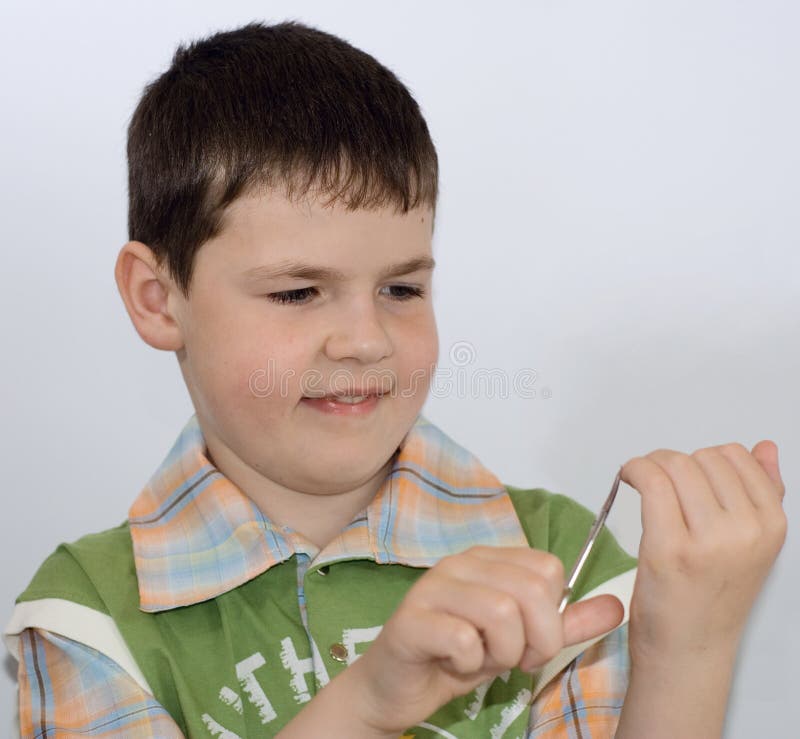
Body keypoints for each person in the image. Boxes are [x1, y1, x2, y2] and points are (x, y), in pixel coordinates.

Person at [3, 20, 786, 739]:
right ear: (157, 298)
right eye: (297, 292)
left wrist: (689, 648)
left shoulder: (555, 557)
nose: (366, 339)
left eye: (402, 289)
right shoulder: (89, 614)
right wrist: (368, 703)